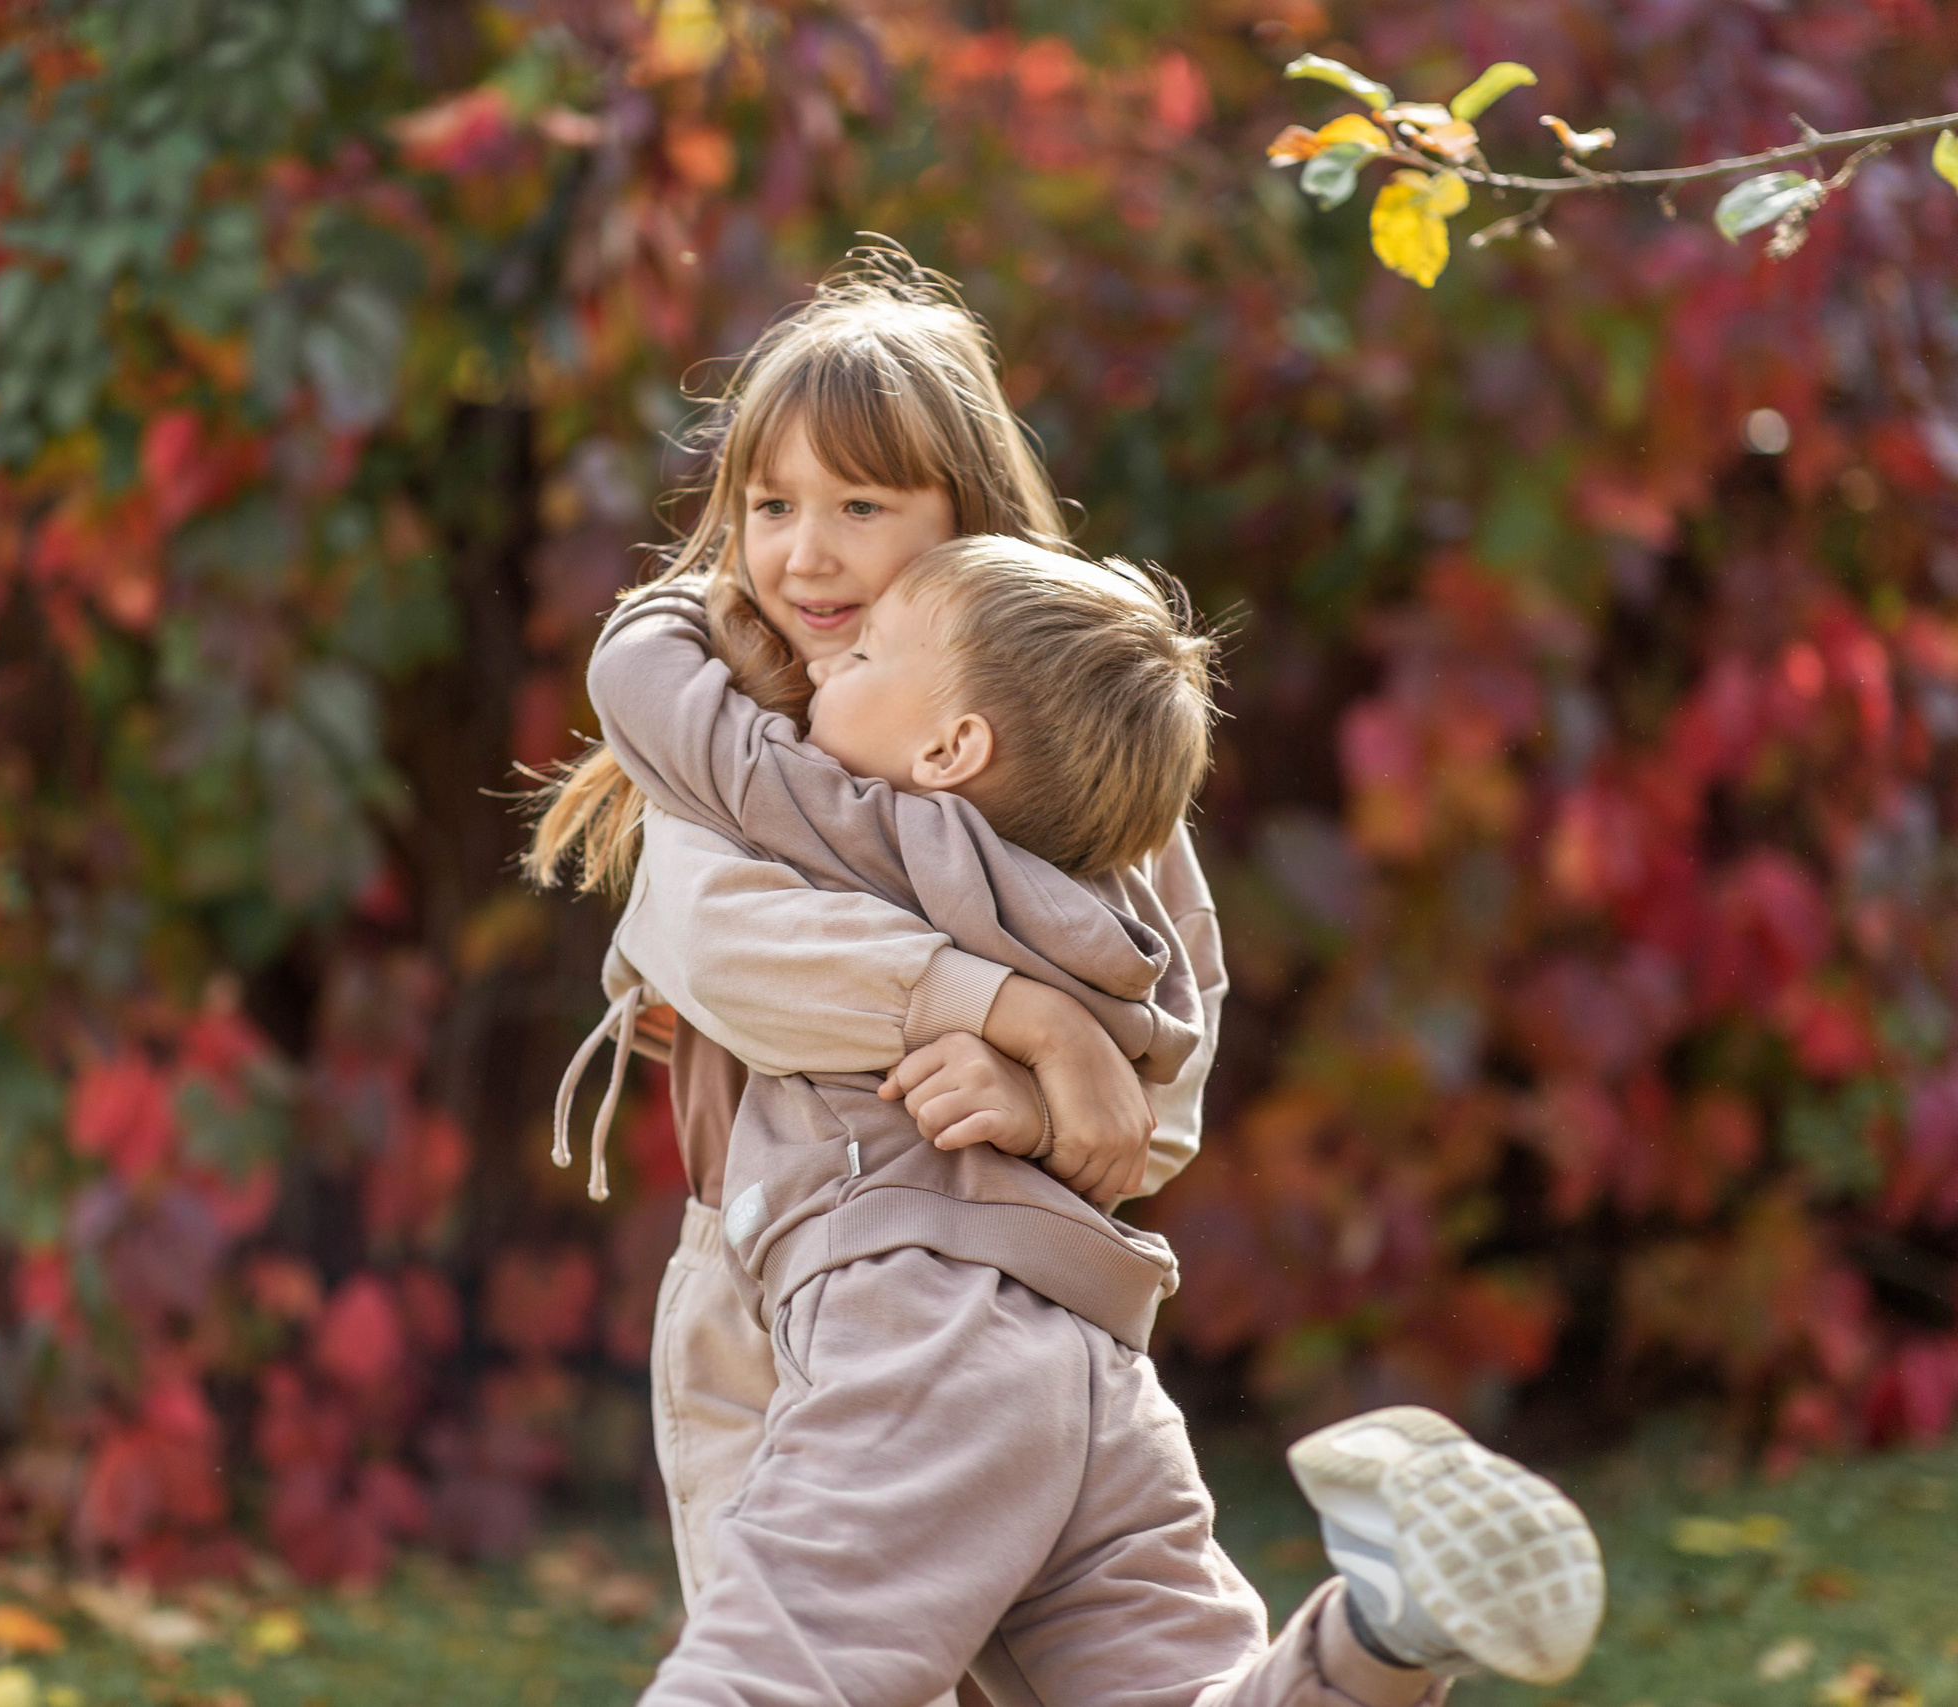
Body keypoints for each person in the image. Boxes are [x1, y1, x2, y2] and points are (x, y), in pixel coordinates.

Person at [528, 251, 1602, 1702]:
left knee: (772, 1675)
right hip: (1074, 1336)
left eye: (862, 506)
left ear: (967, 531)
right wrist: (1038, 1033)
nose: (805, 553)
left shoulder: (776, 777)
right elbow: (1153, 1075)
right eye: (771, 506)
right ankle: (1381, 1641)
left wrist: (1030, 1073)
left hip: (886, 1306)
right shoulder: (1092, 826)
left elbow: (728, 946)